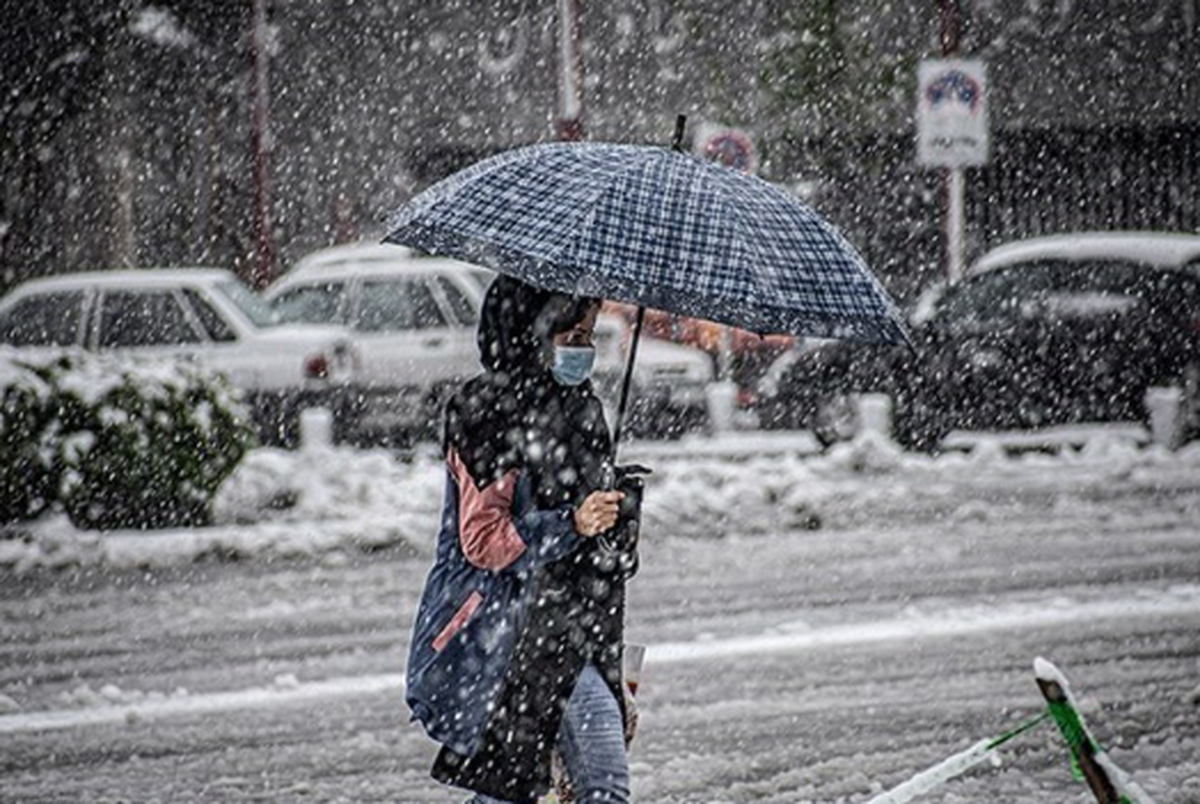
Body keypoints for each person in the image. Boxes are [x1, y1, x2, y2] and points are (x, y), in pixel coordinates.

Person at [406, 275, 643, 803]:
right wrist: (569, 523)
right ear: (530, 334)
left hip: (577, 625)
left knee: (595, 783)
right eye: (571, 336)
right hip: (508, 634)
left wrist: (617, 513)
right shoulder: (485, 413)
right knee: (536, 788)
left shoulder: (582, 409)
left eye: (589, 336)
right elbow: (484, 541)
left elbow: (597, 551)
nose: (583, 350)